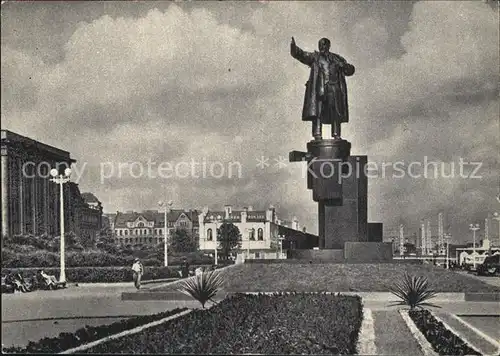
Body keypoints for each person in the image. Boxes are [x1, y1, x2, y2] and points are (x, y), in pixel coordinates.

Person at [290, 37, 355, 140]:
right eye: (320, 44)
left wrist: (344, 66)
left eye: (324, 44)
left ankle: (336, 134)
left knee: (336, 111)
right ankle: (317, 134)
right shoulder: (315, 57)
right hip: (319, 88)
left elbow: (350, 71)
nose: (322, 46)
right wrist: (294, 48)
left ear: (328, 45)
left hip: (334, 88)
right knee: (318, 112)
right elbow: (302, 55)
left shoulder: (337, 58)